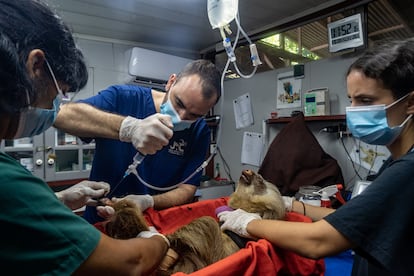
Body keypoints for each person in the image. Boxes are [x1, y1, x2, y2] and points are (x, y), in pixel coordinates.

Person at [217, 38, 414, 275]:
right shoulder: (395, 162)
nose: (352, 111)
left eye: (365, 101)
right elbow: (350, 218)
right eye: (351, 99)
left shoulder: (407, 170)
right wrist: (293, 205)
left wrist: (248, 223)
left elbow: (318, 242)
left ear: (410, 102)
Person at [0, 0, 169, 274]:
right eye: (56, 95)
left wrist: (59, 200)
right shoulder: (7, 179)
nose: (54, 109)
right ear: (35, 65)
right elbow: (131, 263)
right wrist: (157, 240)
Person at [54, 59, 222, 224]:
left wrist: (149, 201)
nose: (181, 116)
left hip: (151, 226)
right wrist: (129, 128)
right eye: (179, 103)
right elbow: (60, 115)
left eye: (194, 115)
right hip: (101, 222)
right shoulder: (123, 98)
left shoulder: (199, 131)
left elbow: (187, 189)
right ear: (171, 82)